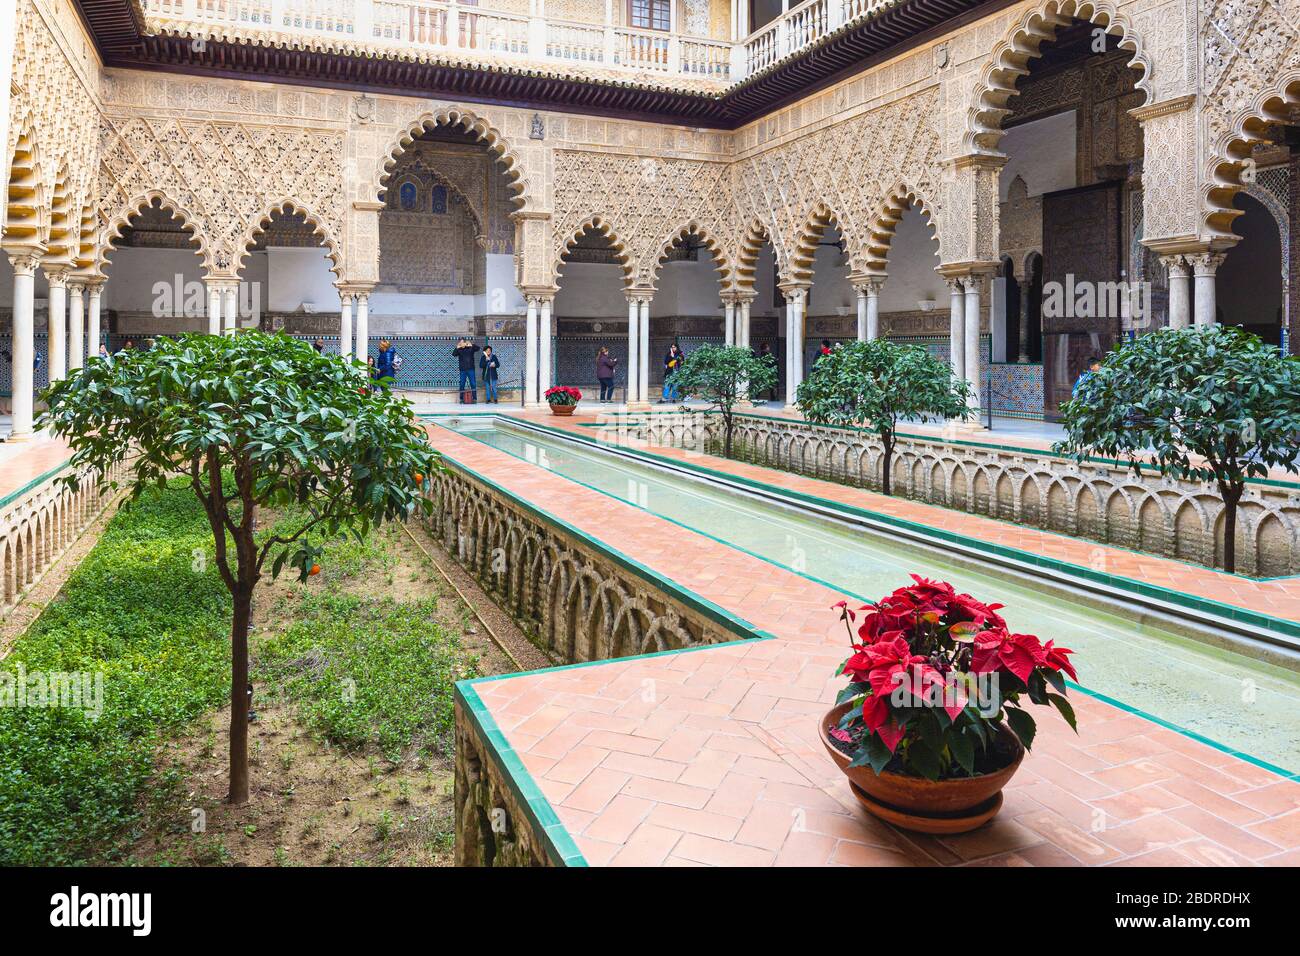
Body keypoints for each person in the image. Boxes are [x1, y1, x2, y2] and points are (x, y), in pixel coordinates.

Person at [453, 338, 481, 404]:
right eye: (460, 343)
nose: (462, 343)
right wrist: (457, 347)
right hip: (462, 370)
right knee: (462, 384)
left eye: (463, 342)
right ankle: (461, 398)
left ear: (465, 343)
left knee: (473, 384)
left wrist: (471, 345)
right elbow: (454, 354)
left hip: (471, 369)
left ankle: (474, 398)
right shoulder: (459, 349)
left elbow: (478, 348)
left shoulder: (470, 348)